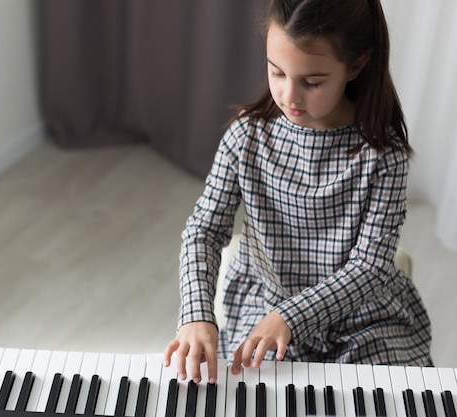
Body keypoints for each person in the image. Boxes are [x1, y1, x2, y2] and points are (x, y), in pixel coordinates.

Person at [163, 0, 433, 384]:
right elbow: (203, 232)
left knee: (387, 397)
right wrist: (195, 315)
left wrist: (293, 316)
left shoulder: (383, 155)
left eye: (313, 82)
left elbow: (370, 267)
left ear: (355, 67)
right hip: (264, 306)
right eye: (277, 72)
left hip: (361, 315)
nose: (290, 95)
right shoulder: (246, 136)